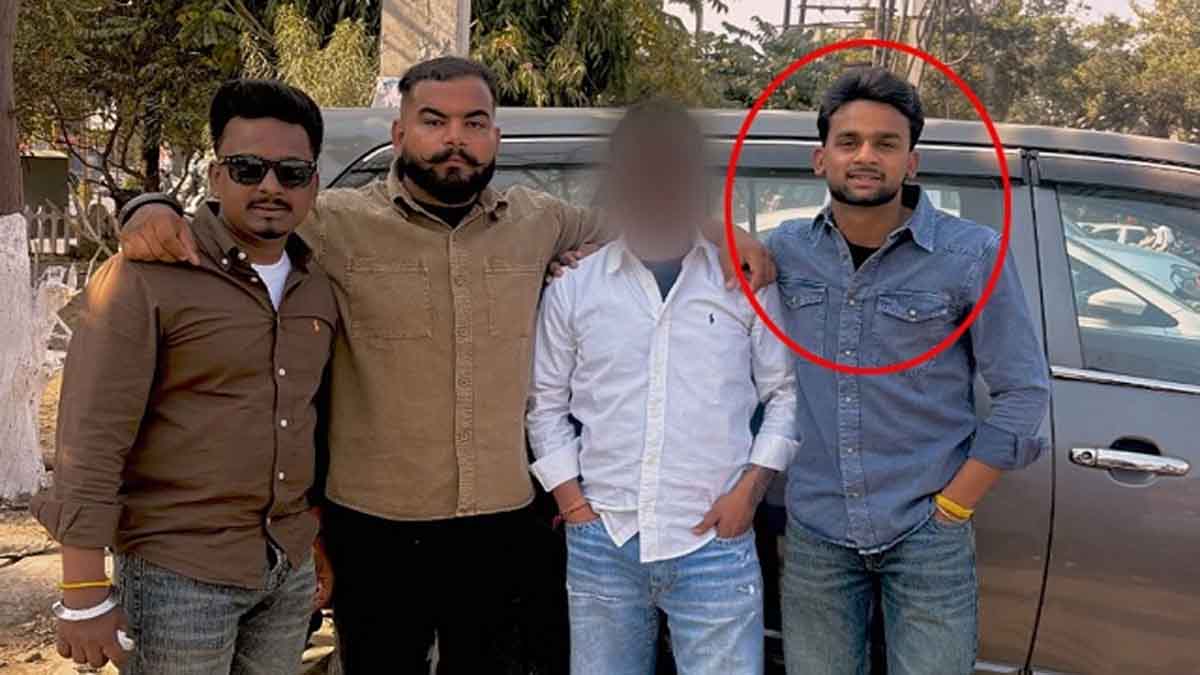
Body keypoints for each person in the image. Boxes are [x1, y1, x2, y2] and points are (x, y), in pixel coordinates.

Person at [115, 57, 776, 674]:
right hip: (374, 528)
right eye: (434, 121)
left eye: (474, 123)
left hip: (501, 527)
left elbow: (643, 221)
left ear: (495, 137)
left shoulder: (540, 221)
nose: (454, 139)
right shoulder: (332, 221)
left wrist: (724, 231)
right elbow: (232, 219)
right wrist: (146, 206)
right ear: (400, 133)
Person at [31, 79, 337, 673]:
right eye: (248, 168)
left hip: (286, 569)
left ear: (313, 184)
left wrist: (314, 537)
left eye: (291, 172)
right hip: (177, 575)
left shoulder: (317, 284)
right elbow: (90, 436)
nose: (270, 186)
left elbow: (311, 420)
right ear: (216, 176)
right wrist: (82, 589)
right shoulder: (147, 275)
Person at [769, 67, 1051, 674]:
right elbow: (672, 239)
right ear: (820, 159)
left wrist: (952, 509)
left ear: (911, 162)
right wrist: (721, 233)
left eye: (886, 143)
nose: (865, 157)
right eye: (849, 142)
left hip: (928, 532)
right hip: (818, 529)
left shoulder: (971, 255)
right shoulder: (786, 250)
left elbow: (1023, 393)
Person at [526, 99, 800, 675]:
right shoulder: (575, 284)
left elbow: (784, 395)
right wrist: (573, 505)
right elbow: (545, 404)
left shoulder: (743, 282)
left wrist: (748, 494)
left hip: (715, 542)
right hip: (604, 539)